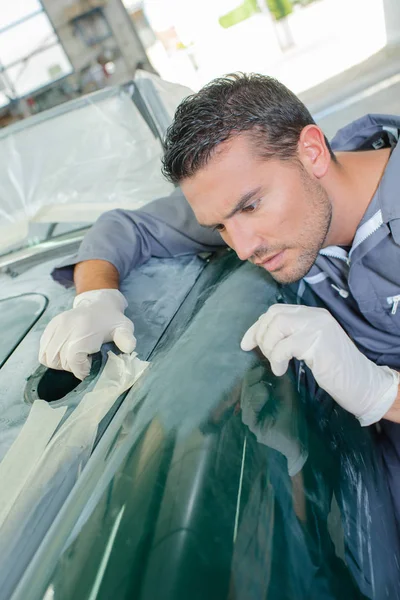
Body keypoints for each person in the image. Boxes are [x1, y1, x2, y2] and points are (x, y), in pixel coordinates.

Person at [40, 73, 400, 433]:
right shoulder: (259, 196)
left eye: (251, 206)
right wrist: (95, 298)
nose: (243, 248)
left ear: (312, 152)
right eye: (220, 227)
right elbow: (126, 228)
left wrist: (378, 393)